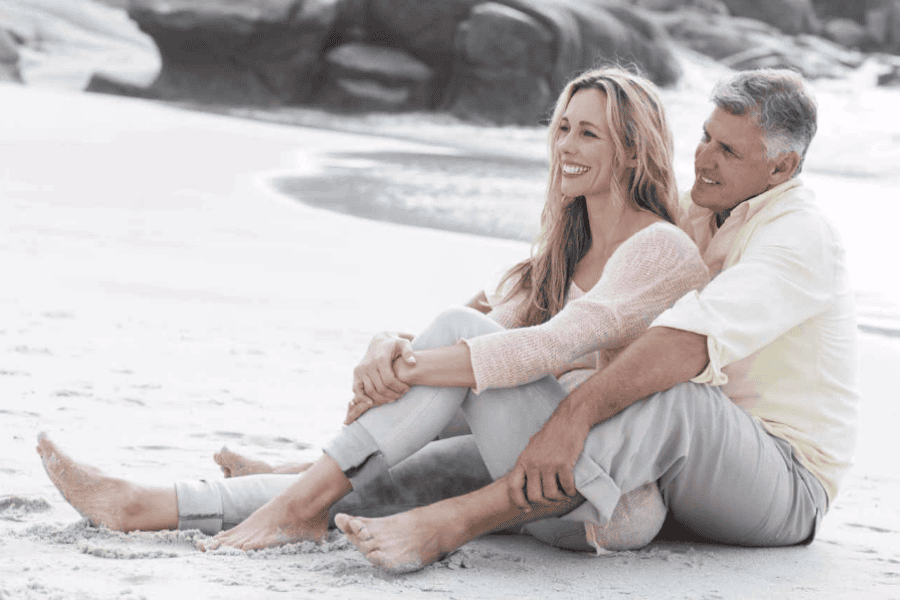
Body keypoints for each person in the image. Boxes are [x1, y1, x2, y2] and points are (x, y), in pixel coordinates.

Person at [36, 67, 709, 557]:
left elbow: (549, 348)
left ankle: (296, 492)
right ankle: (146, 504)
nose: (565, 146)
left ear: (631, 147)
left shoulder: (661, 248)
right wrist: (386, 348)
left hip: (607, 499)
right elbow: (481, 341)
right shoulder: (561, 252)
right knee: (370, 486)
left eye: (588, 133)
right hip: (521, 475)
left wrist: (408, 363)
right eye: (562, 126)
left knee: (447, 344)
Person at [323, 68, 859, 572]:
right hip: (659, 460)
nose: (703, 159)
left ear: (782, 168)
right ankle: (310, 481)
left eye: (728, 150)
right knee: (468, 423)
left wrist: (570, 419)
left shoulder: (799, 237)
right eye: (704, 136)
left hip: (782, 484)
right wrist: (403, 348)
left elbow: (685, 344)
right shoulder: (697, 207)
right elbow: (533, 297)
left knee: (673, 396)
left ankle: (453, 523)